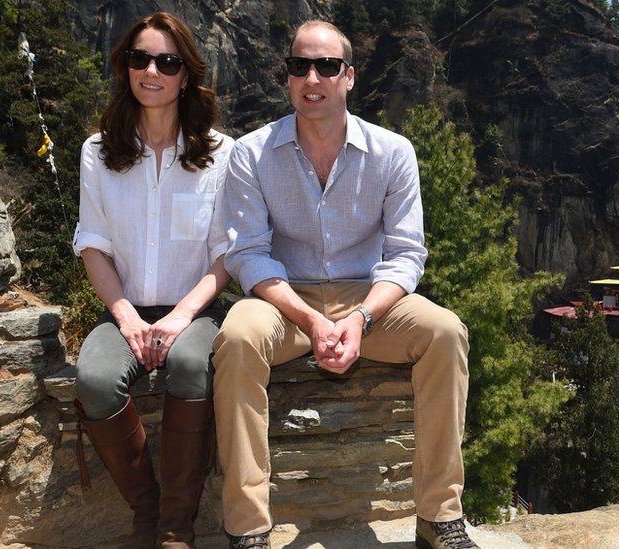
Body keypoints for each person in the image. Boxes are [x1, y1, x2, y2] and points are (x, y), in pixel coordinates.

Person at [214, 20, 478, 549]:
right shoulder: (251, 153)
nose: (313, 78)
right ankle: (247, 528)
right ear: (288, 77)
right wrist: (311, 320)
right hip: (284, 300)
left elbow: (406, 255)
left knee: (446, 333)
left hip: (368, 297)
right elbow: (248, 255)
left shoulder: (392, 152)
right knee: (237, 340)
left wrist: (360, 318)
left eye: (327, 66)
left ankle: (439, 515)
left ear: (349, 76)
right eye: (299, 66)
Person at [72, 12, 233, 549]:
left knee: (191, 363)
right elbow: (93, 245)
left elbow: (226, 256)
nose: (152, 71)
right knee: (95, 379)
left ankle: (175, 528)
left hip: (198, 310)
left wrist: (180, 317)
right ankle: (148, 510)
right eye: (140, 58)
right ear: (126, 68)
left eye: (167, 61)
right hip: (125, 308)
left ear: (185, 74)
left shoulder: (220, 153)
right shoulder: (97, 153)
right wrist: (127, 318)